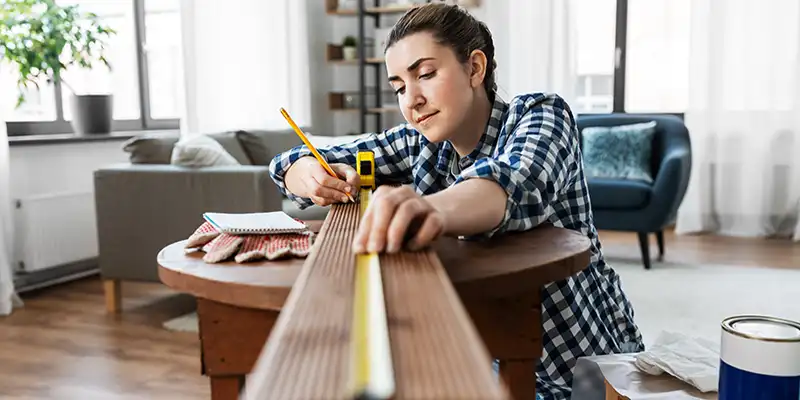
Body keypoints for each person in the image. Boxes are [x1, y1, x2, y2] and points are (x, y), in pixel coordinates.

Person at [269, 3, 644, 399]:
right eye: (398, 87)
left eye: (425, 74)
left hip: (593, 369)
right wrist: (307, 172)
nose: (410, 100)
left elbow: (515, 183)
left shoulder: (540, 114)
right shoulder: (421, 142)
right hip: (495, 361)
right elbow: (289, 162)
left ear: (475, 68)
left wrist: (428, 206)